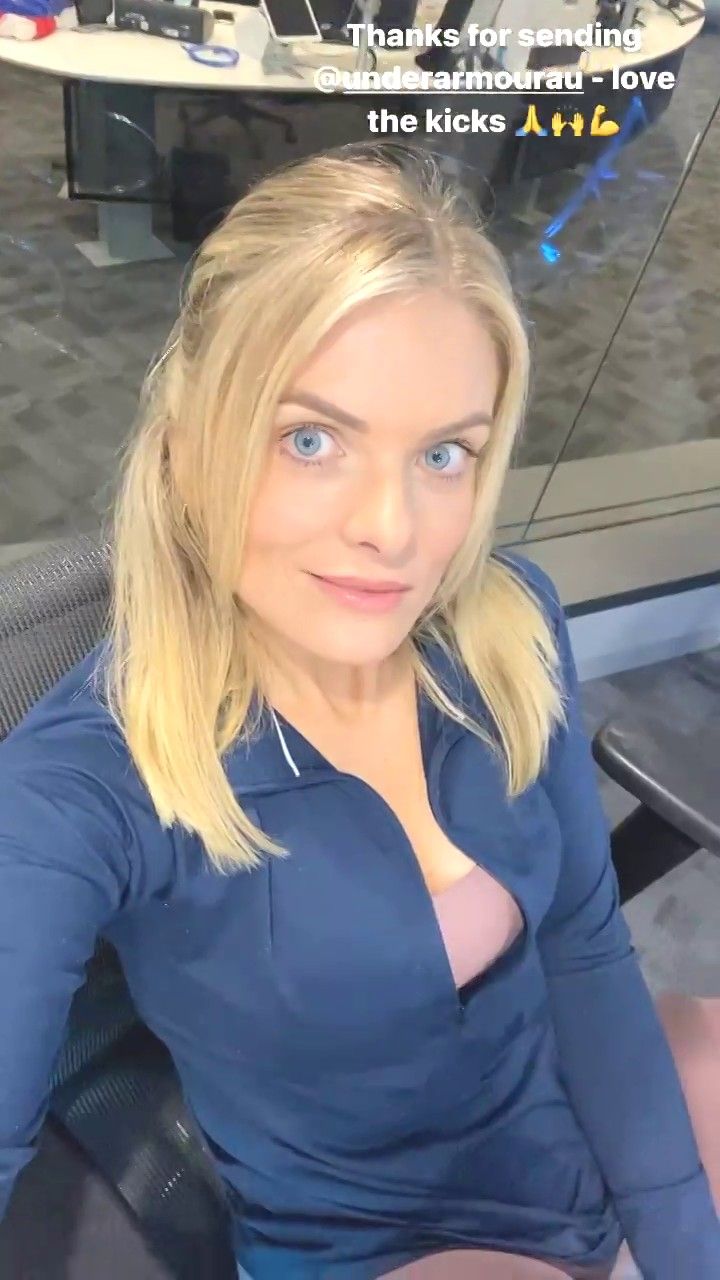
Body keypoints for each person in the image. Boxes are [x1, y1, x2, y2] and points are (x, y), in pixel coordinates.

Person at [0, 142, 718, 1280]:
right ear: (187, 446)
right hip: (384, 1242)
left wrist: (678, 1239)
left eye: (444, 454)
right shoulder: (83, 786)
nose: (393, 527)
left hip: (564, 1131)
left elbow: (583, 950)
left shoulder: (507, 628)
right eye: (311, 439)